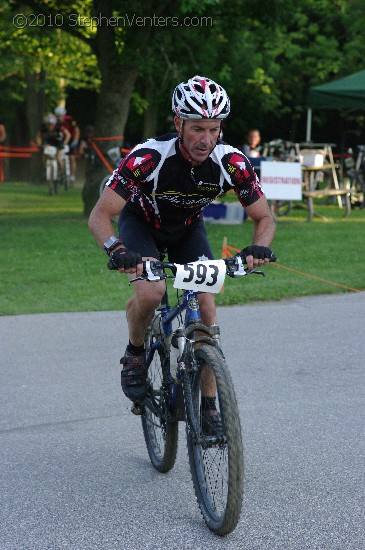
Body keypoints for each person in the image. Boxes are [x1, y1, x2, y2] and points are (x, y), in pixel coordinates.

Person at [88, 75, 276, 423]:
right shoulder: (147, 157)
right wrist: (116, 249)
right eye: (197, 129)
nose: (206, 140)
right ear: (179, 123)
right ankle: (134, 353)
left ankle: (208, 407)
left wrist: (257, 249)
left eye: (214, 129)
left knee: (206, 308)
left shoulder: (231, 162)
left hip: (187, 230)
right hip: (141, 225)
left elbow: (264, 218)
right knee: (151, 291)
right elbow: (100, 216)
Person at [36, 113, 71, 192]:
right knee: (45, 154)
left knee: (58, 158)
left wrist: (64, 143)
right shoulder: (43, 128)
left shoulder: (59, 127)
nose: (50, 127)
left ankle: (62, 173)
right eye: (48, 125)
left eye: (51, 125)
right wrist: (39, 144)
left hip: (59, 144)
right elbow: (39, 136)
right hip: (49, 144)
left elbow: (68, 135)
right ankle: (45, 169)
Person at [54, 106, 80, 184]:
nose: (59, 118)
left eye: (60, 116)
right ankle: (60, 174)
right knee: (58, 157)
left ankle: (72, 176)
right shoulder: (55, 122)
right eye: (57, 116)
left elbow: (77, 130)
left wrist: (75, 140)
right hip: (60, 140)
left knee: (72, 158)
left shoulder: (70, 120)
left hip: (71, 140)